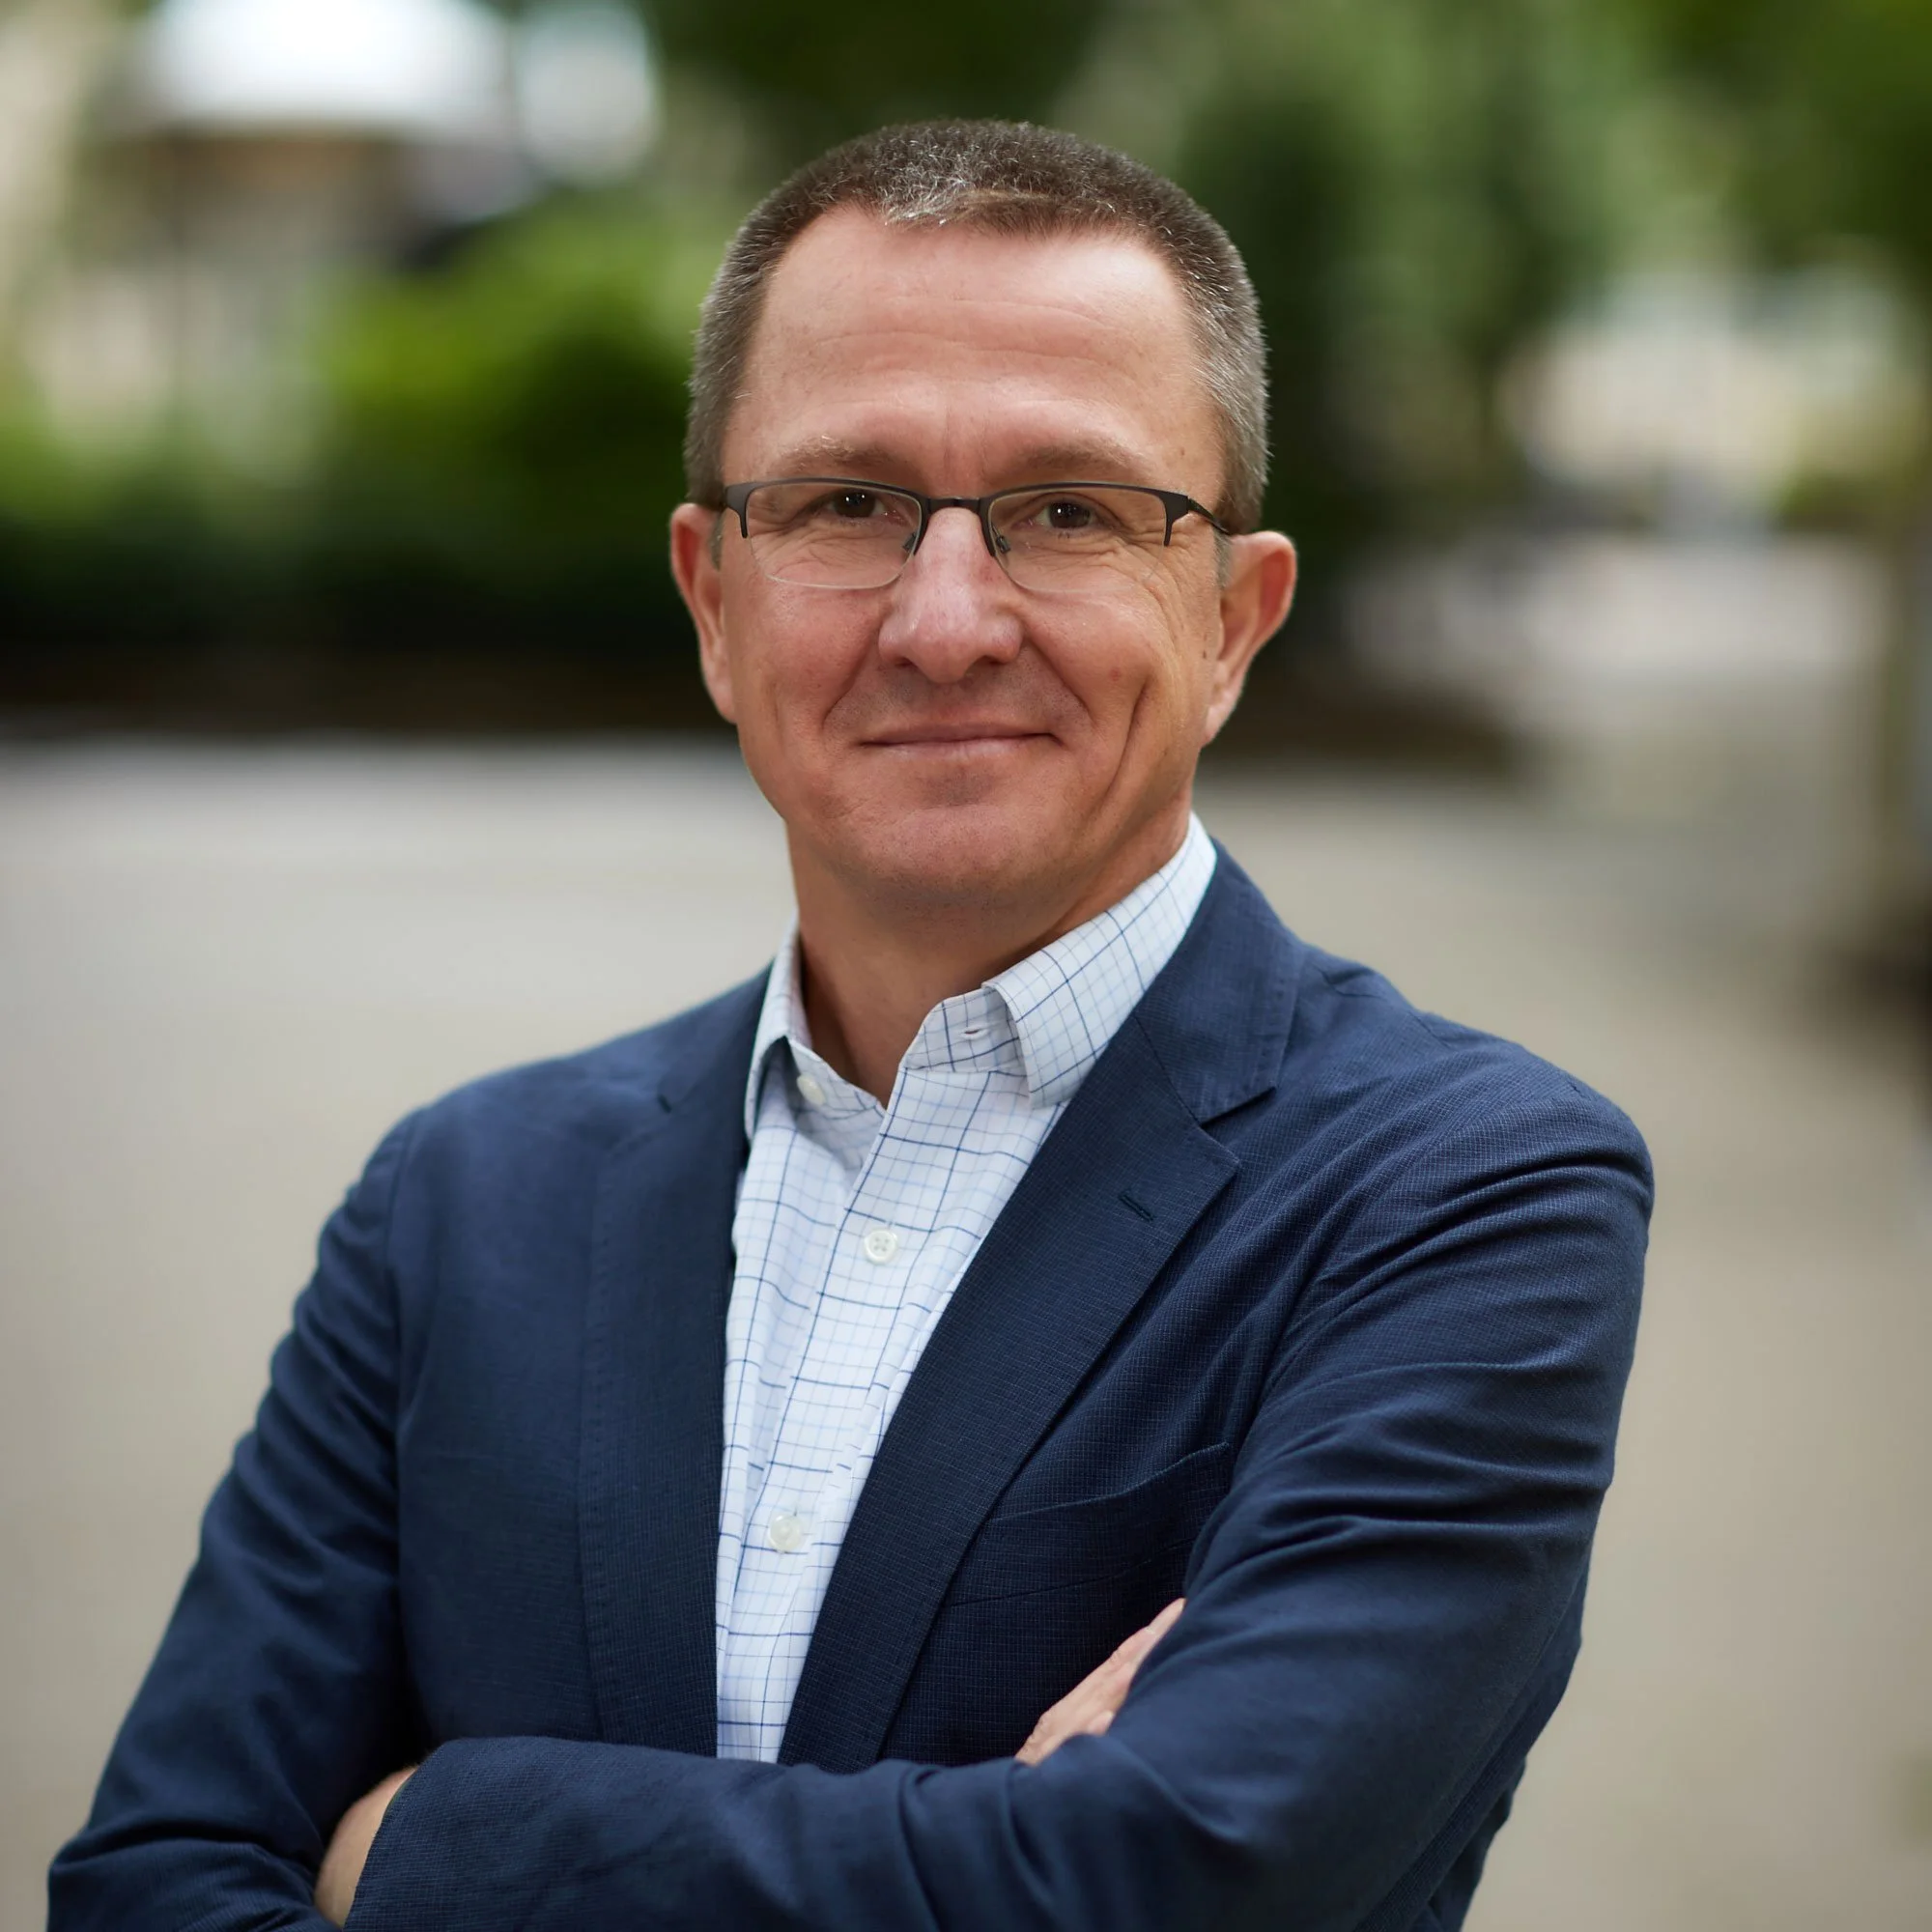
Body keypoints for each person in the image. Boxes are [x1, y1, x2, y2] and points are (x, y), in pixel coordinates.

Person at [49, 120, 1651, 1932]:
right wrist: (997, 1852)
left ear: (1232, 620)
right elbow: (151, 1885)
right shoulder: (457, 1205)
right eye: (846, 505)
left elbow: (1179, 1885)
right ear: (712, 602)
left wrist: (431, 1844)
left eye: (1070, 510)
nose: (947, 620)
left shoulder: (1466, 1196)